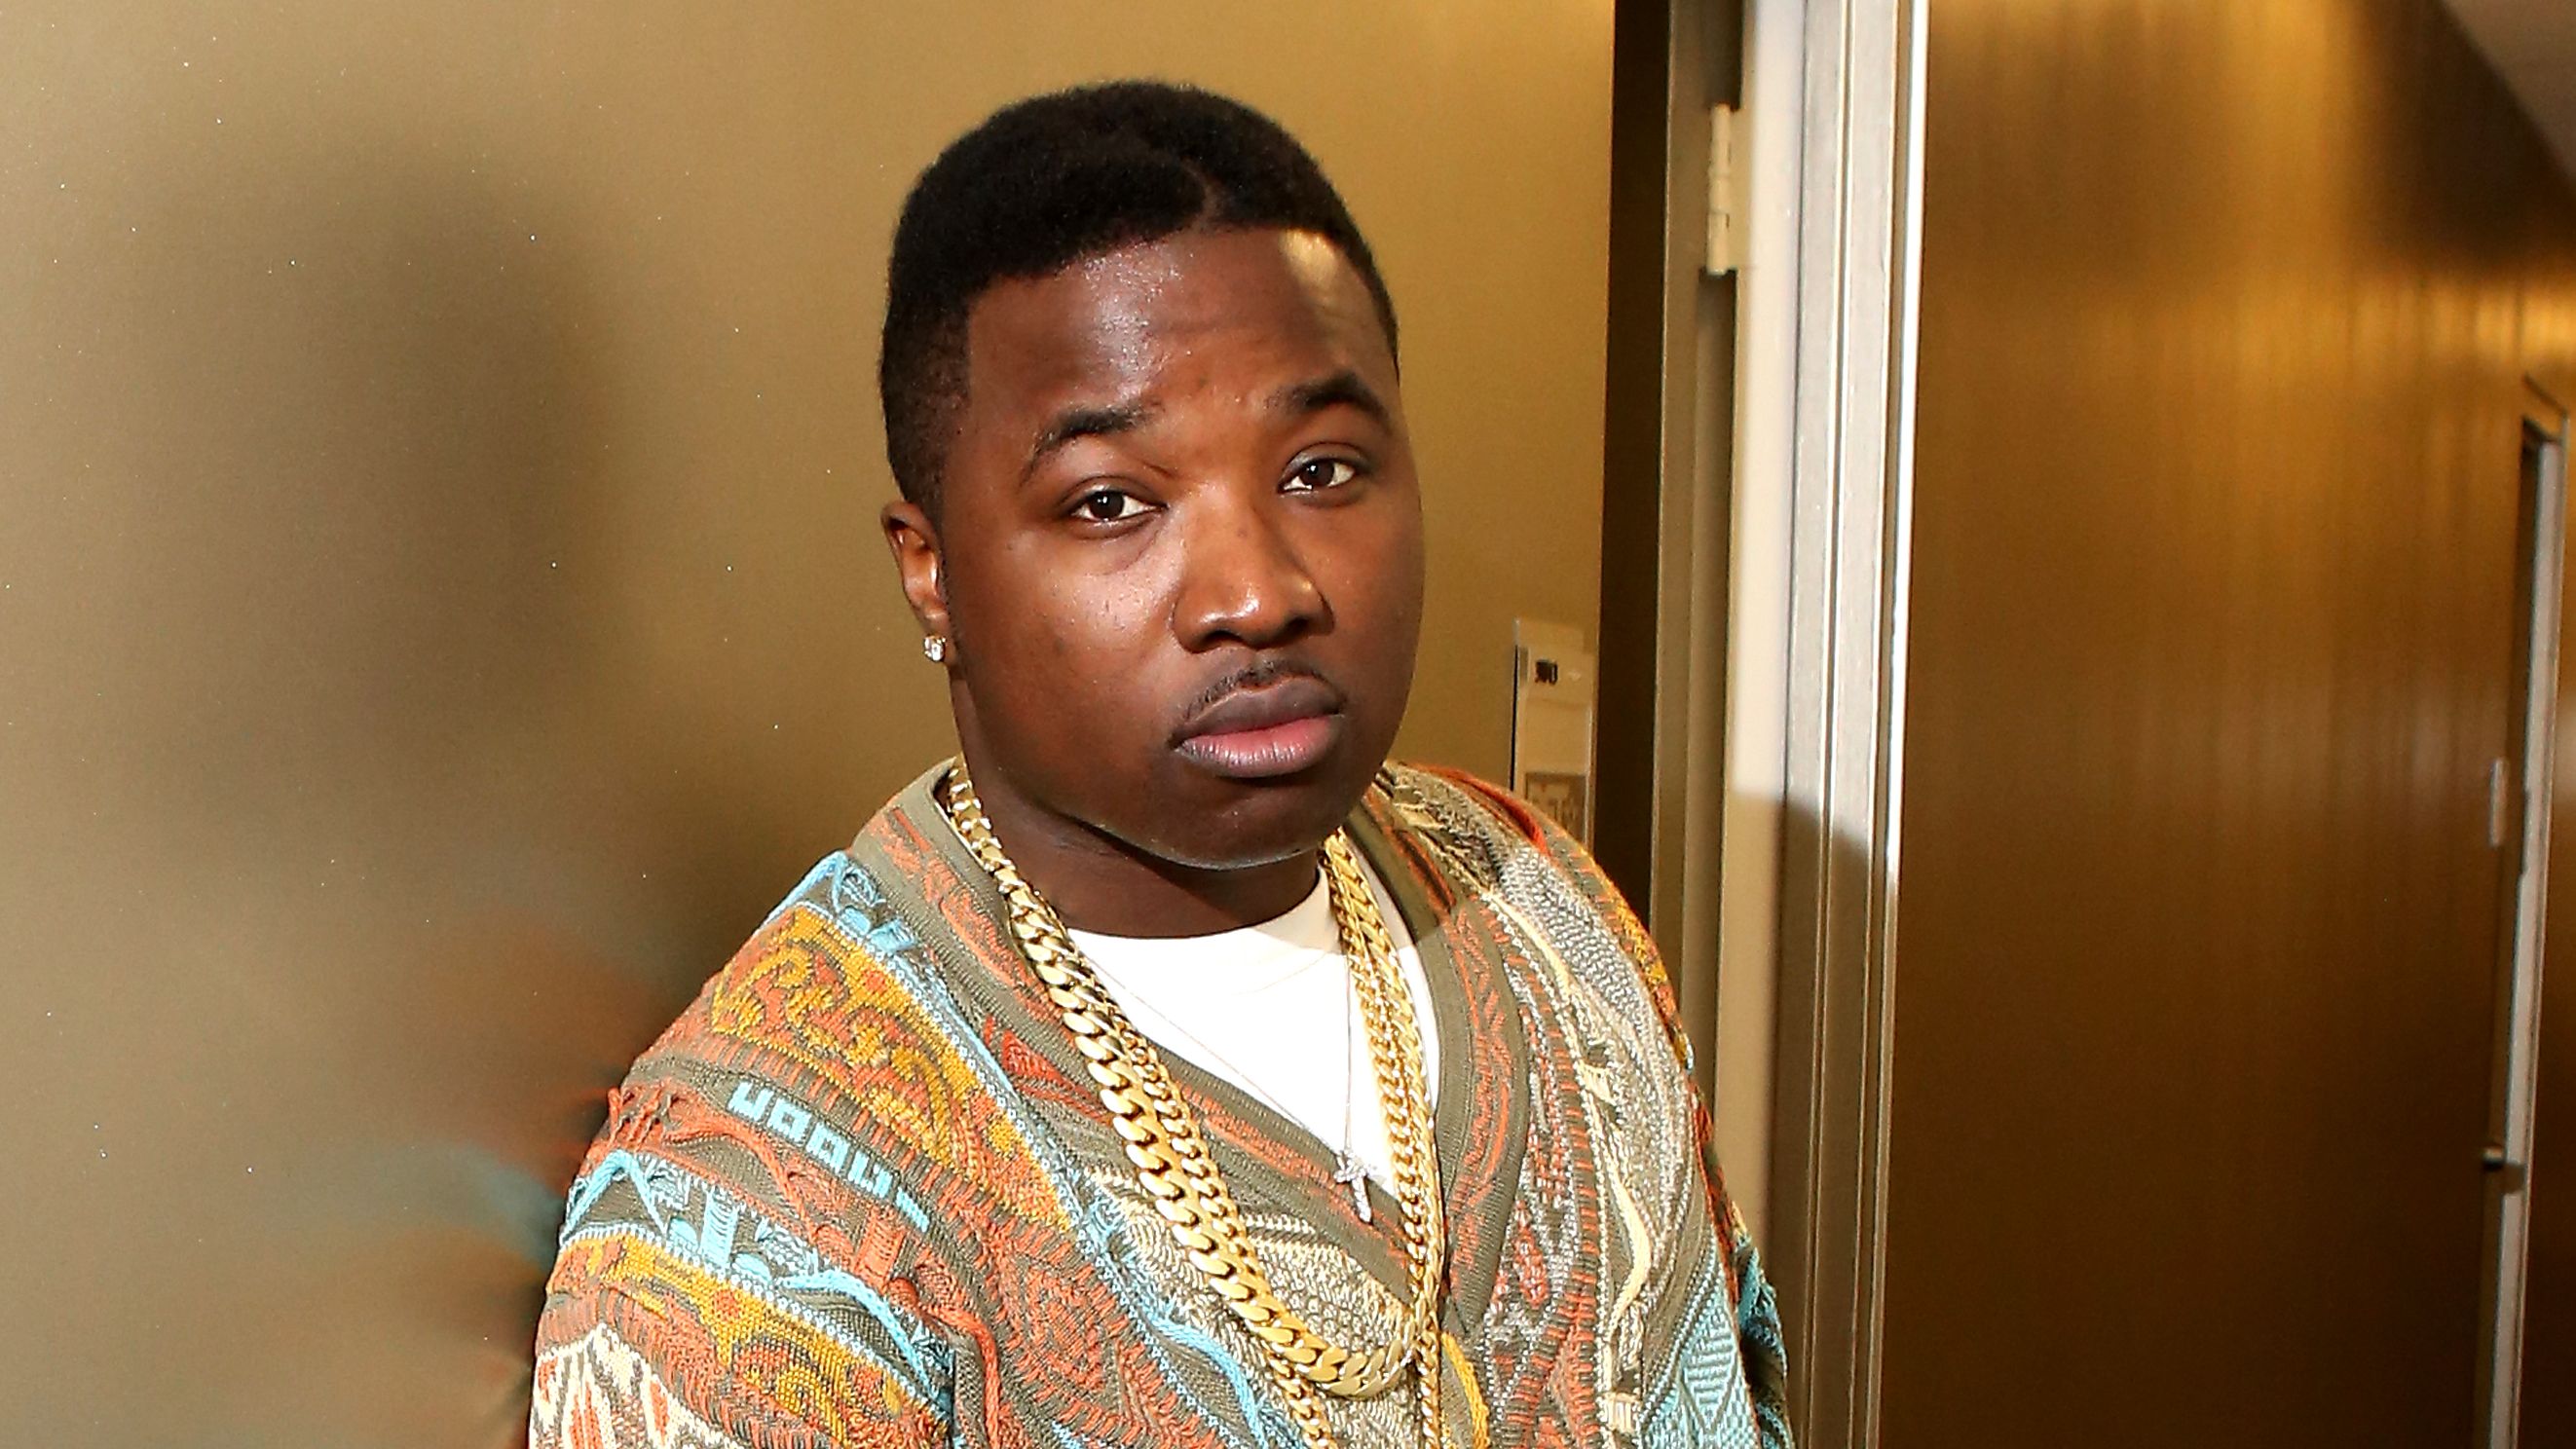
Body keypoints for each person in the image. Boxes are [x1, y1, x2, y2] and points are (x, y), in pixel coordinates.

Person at [527, 81, 1790, 1449]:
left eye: (1320, 470)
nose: (1258, 593)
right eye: (1111, 502)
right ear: (932, 569)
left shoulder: (1534, 900)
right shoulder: (761, 1231)